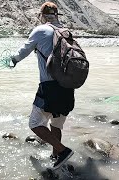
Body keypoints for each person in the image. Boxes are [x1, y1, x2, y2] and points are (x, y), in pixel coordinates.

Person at [10, 2, 74, 169]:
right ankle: (56, 157)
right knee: (56, 124)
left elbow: (23, 52)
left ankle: (63, 151)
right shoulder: (65, 32)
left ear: (42, 15)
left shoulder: (40, 30)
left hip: (49, 87)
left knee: (35, 123)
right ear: (57, 15)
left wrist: (13, 59)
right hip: (67, 85)